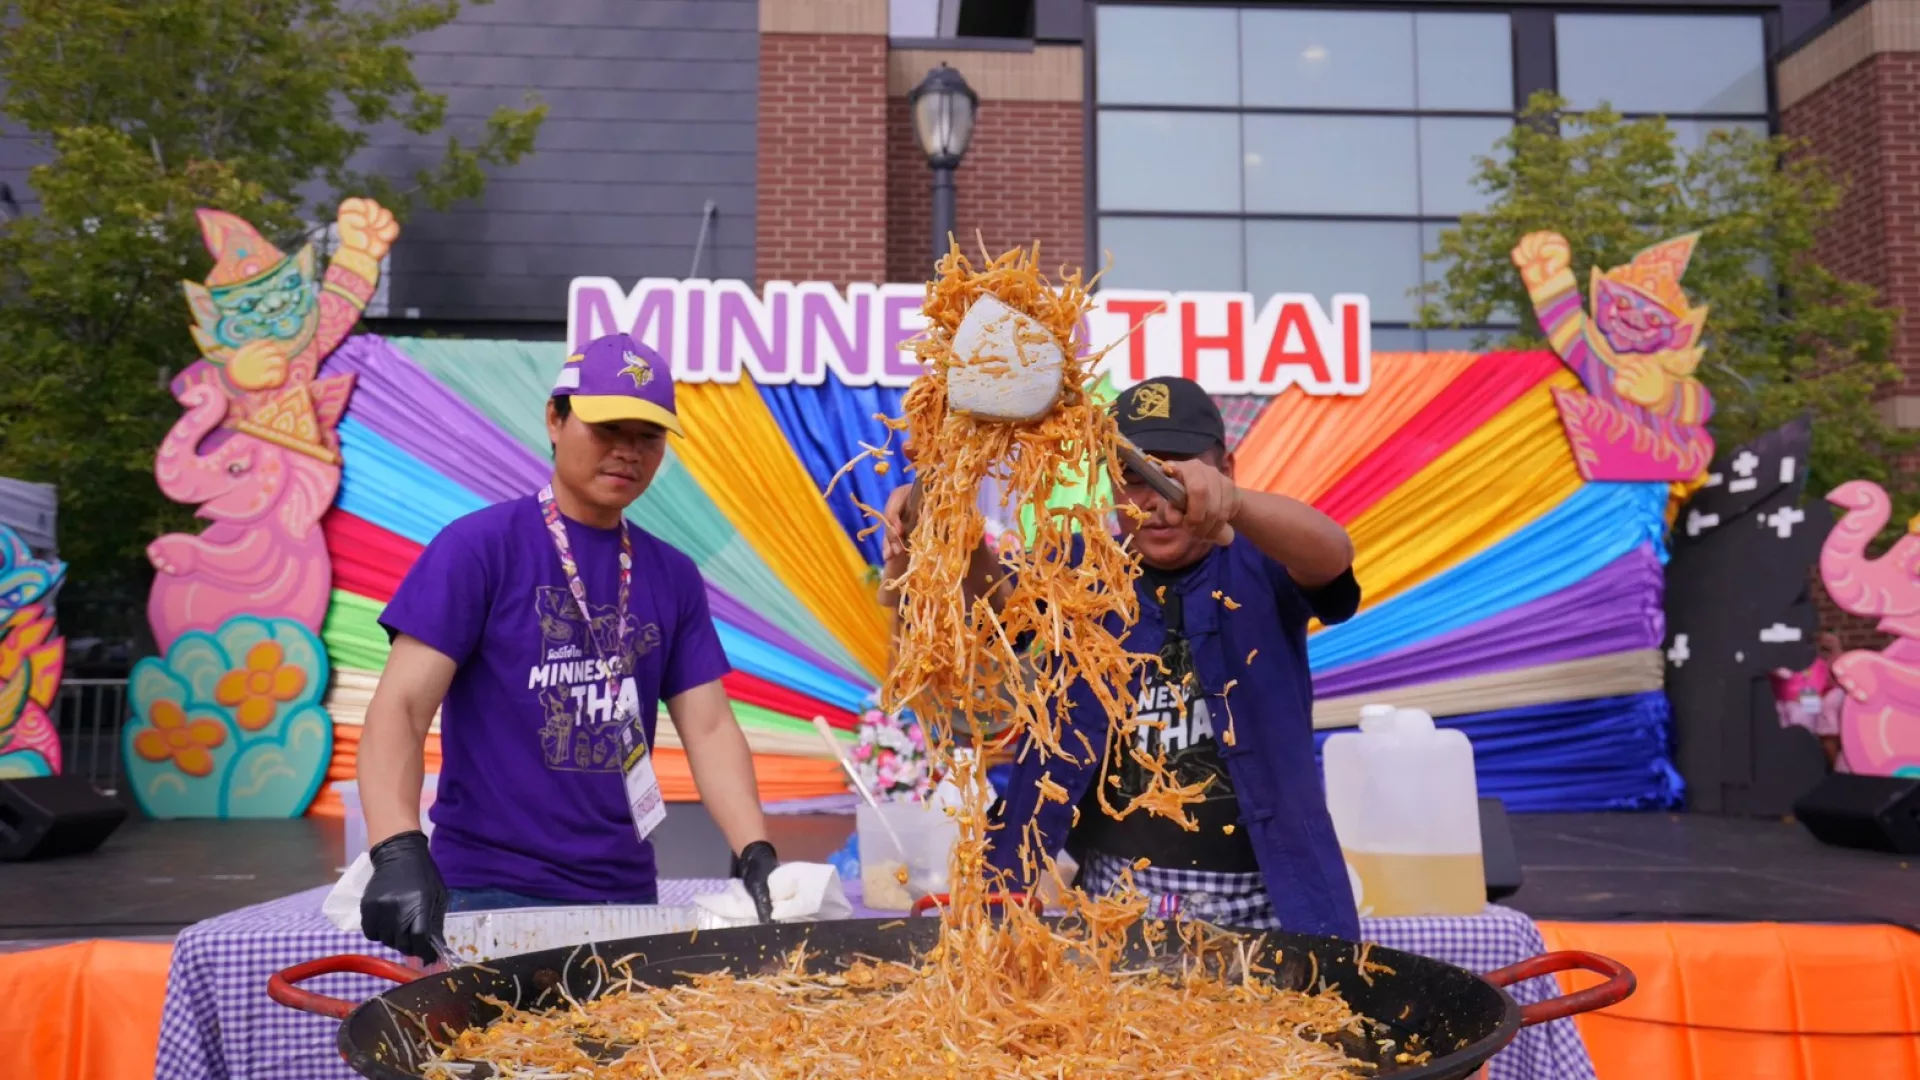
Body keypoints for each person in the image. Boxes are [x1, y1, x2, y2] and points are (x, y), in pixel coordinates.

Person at [883, 376, 1363, 940]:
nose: (1157, 502)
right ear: (1110, 484)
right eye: (1135, 478)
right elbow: (997, 607)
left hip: (1264, 903)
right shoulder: (1081, 569)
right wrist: (940, 512)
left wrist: (1233, 506)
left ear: (1225, 471)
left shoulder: (1264, 559)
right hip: (1114, 900)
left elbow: (1333, 556)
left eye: (1178, 474)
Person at [355, 332, 779, 963]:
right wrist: (396, 847)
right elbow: (401, 710)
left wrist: (755, 852)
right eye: (608, 427)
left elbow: (711, 729)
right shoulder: (478, 549)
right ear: (555, 419)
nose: (627, 452)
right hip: (487, 893)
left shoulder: (672, 574)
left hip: (627, 895)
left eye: (648, 436)